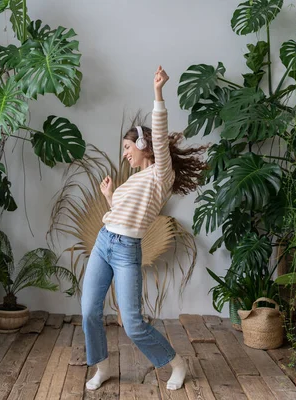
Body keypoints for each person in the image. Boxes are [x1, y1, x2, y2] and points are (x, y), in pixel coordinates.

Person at [81, 66, 208, 391]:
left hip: (125, 251)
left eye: (128, 147)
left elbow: (161, 135)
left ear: (144, 145)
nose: (124, 154)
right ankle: (103, 366)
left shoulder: (159, 176)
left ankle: (175, 364)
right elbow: (124, 216)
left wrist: (157, 93)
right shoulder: (134, 181)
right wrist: (111, 196)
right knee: (89, 312)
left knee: (133, 324)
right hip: (104, 242)